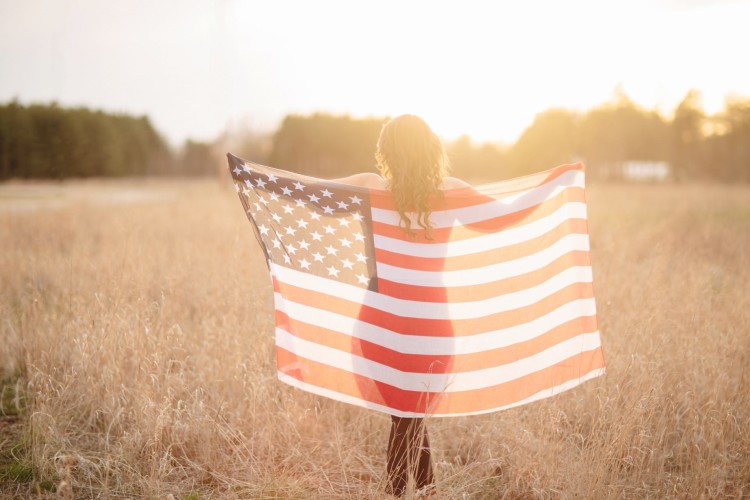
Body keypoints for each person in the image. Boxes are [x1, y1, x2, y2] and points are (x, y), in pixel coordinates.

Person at [334, 114, 468, 497]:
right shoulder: (451, 191)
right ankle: (423, 493)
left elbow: (310, 194)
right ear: (432, 149)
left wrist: (255, 176)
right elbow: (507, 216)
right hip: (432, 326)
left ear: (386, 151)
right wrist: (562, 182)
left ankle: (409, 493)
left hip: (380, 323)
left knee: (406, 419)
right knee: (409, 418)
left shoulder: (368, 187)